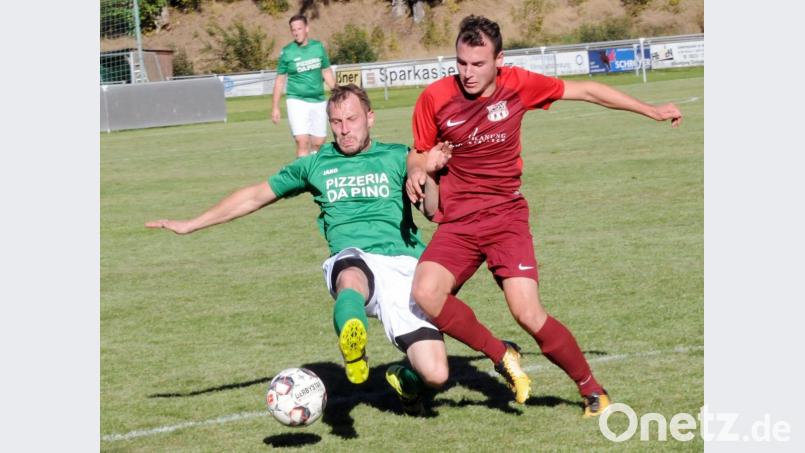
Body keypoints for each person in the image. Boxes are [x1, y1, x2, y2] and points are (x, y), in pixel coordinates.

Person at [147, 84, 488, 415]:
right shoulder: (315, 164)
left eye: (352, 120)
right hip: (353, 257)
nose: (344, 130)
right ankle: (353, 350)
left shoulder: (399, 157)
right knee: (351, 275)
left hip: (404, 266)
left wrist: (430, 176)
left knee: (436, 373)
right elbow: (255, 195)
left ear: (370, 118)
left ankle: (406, 382)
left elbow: (433, 210)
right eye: (336, 123)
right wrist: (191, 224)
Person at [406, 15, 683, 417]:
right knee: (425, 293)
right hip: (458, 222)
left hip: (505, 217)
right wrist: (418, 169)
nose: (467, 73)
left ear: (499, 60)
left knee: (527, 312)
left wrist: (650, 110)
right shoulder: (434, 97)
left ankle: (592, 390)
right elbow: (418, 151)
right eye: (461, 63)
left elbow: (587, 90)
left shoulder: (518, 85)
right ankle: (501, 354)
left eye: (478, 64)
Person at [271, 14, 336, 158]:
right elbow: (280, 80)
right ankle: (302, 177)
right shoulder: (287, 52)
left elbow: (326, 71)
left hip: (318, 100)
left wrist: (337, 93)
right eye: (293, 30)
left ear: (307, 28)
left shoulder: (318, 47)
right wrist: (275, 107)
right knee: (302, 141)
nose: (296, 32)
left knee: (319, 143)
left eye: (299, 28)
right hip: (296, 100)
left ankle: (311, 168)